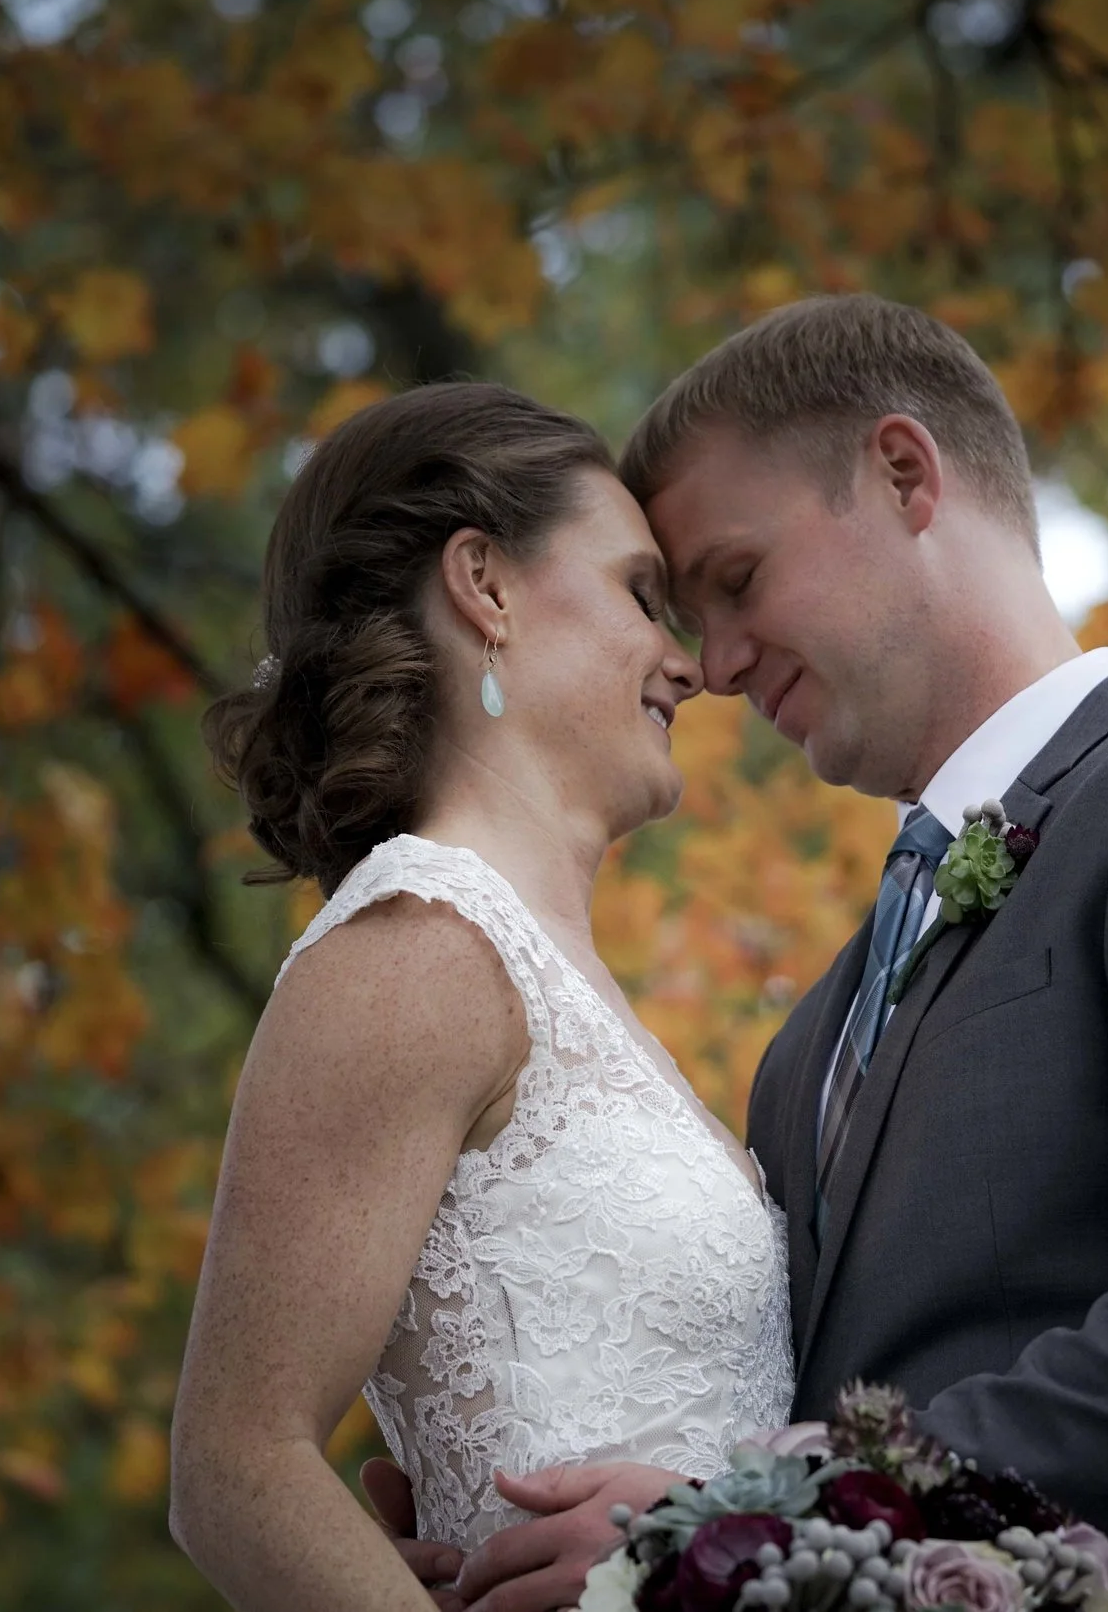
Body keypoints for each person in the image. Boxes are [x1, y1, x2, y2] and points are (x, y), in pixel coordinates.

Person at [399, 296, 1108, 1612]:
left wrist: (776, 1510)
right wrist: (490, 1480)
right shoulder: (804, 1049)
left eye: (735, 580)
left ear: (902, 473)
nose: (717, 666)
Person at [167, 383, 794, 1612]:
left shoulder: (555, 978)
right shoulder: (418, 950)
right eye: (640, 595)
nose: (688, 662)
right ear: (484, 584)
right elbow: (237, 1467)